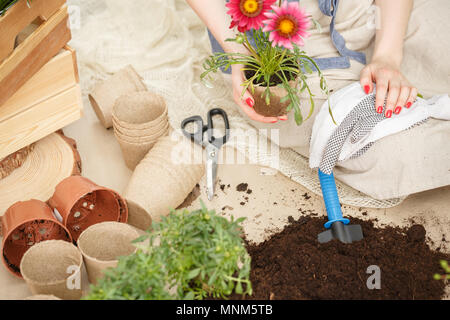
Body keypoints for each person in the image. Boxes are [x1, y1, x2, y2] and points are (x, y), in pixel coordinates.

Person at [187, 0, 450, 200]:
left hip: (370, 16)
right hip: (276, 48)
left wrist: (388, 56)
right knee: (398, 152)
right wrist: (239, 55)